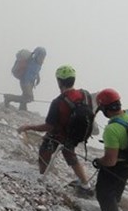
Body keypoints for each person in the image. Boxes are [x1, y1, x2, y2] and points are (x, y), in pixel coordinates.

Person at [17, 64, 93, 197]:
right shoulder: (84, 95)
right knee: (70, 155)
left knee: (45, 150)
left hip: (59, 134)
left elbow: (48, 126)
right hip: (75, 135)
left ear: (59, 81)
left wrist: (28, 127)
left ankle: (42, 177)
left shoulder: (58, 102)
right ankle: (85, 184)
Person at [4, 46, 45, 111]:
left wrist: (38, 77)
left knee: (25, 95)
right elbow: (29, 72)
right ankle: (9, 97)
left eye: (43, 56)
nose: (43, 58)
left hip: (30, 81)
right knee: (29, 98)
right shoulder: (32, 61)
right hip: (26, 81)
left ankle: (22, 107)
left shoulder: (38, 62)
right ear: (37, 54)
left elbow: (35, 71)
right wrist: (27, 83)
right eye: (42, 56)